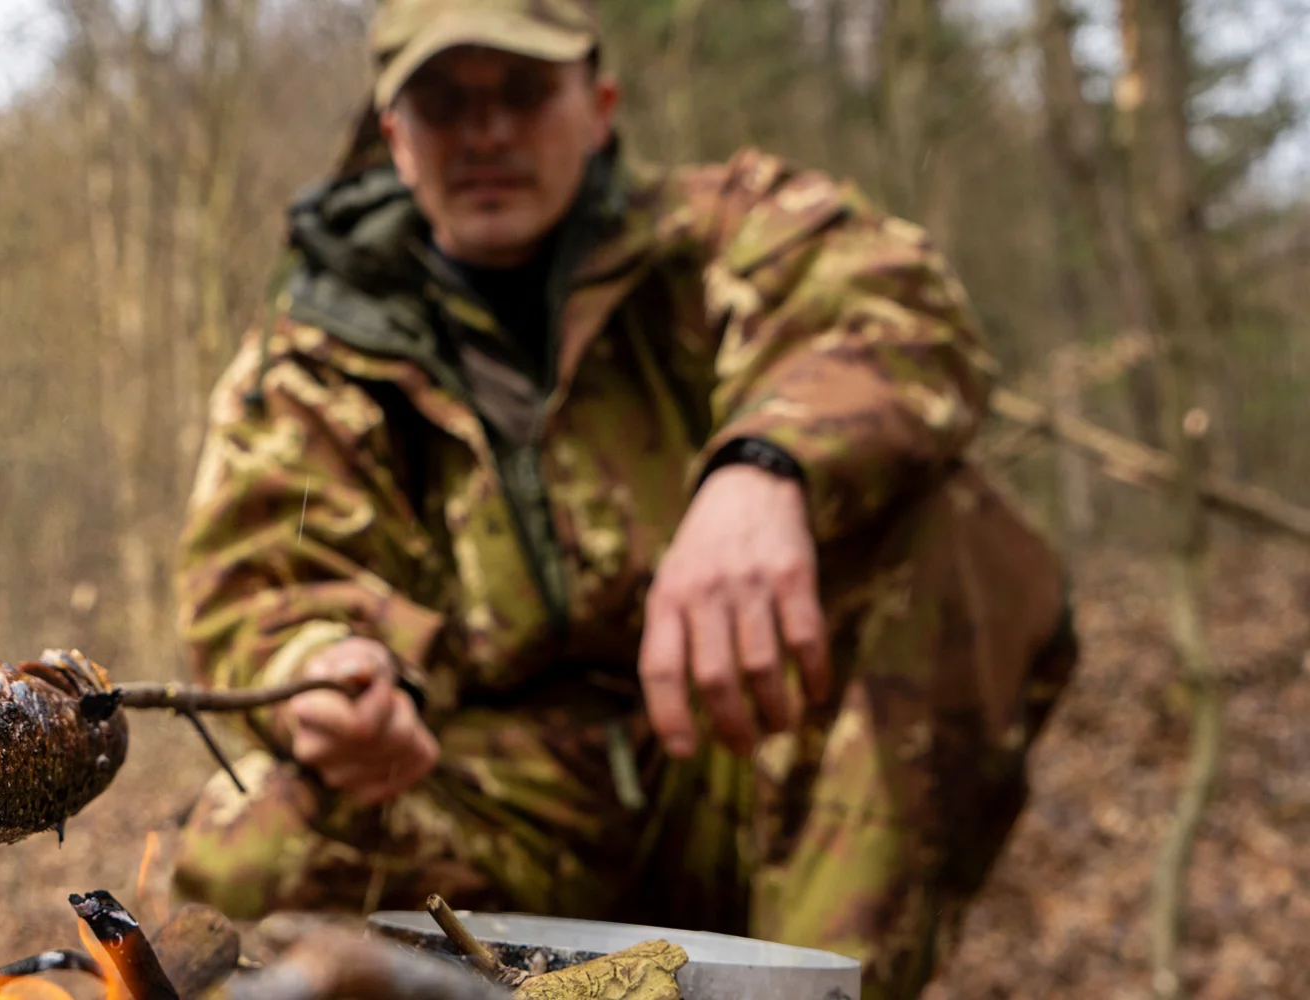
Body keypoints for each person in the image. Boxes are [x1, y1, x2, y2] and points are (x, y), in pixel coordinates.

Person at [166, 1, 1078, 996]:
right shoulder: (314, 356)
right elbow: (260, 580)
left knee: (959, 539)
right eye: (442, 102)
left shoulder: (717, 235)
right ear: (394, 134)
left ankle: (814, 987)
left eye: (520, 91)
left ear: (597, 106)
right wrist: (326, 668)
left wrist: (764, 467)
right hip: (492, 807)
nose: (484, 133)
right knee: (237, 844)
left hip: (746, 757)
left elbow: (900, 307)